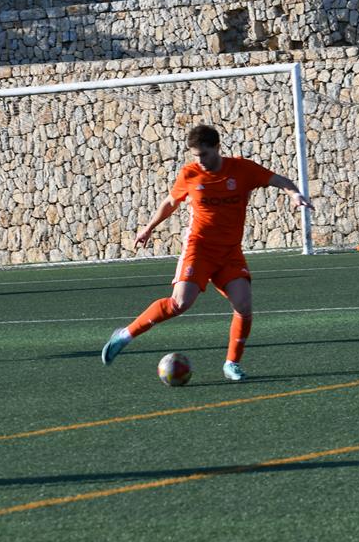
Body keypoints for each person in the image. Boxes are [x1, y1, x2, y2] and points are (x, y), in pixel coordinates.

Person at [101, 124, 312, 381]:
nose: (200, 160)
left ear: (217, 148)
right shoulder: (190, 174)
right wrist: (148, 228)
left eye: (204, 154)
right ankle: (125, 335)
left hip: (230, 252)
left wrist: (294, 194)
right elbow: (170, 202)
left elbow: (278, 180)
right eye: (195, 155)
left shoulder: (242, 169)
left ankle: (232, 364)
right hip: (199, 248)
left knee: (244, 305)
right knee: (179, 303)